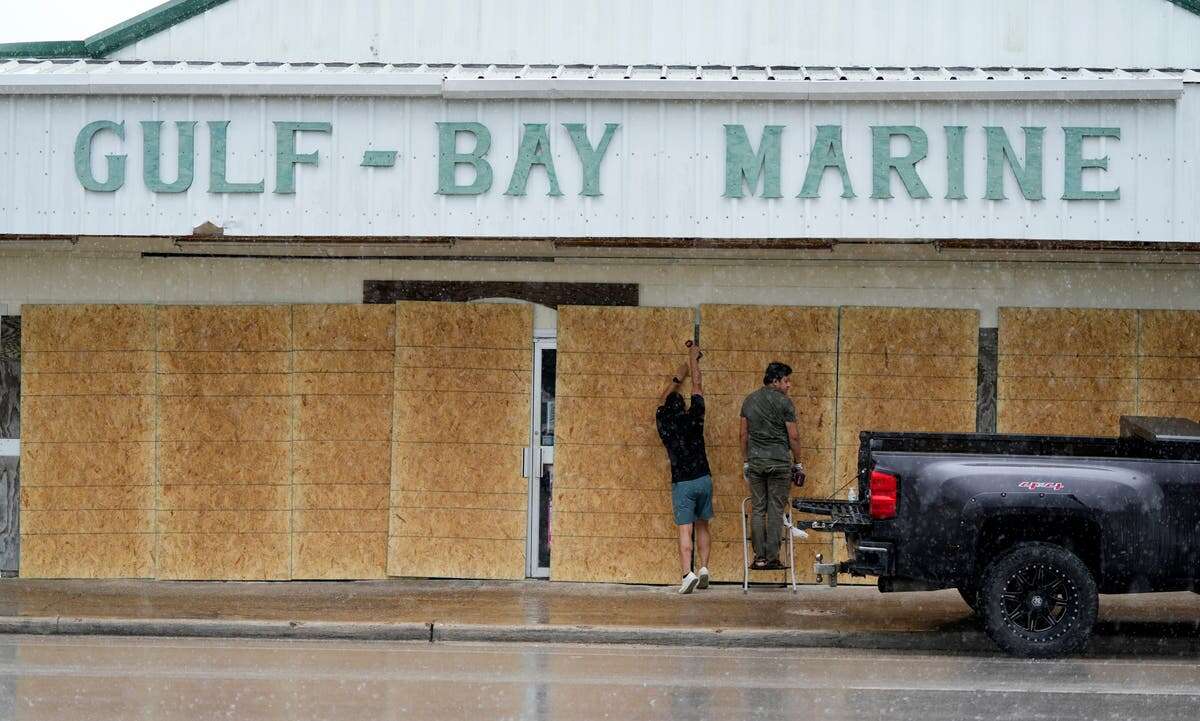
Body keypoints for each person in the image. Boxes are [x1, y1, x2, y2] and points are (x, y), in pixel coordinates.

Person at [655, 342, 713, 594]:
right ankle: (703, 569)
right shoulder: (695, 416)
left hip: (683, 482)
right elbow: (698, 386)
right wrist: (693, 359)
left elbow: (660, 399)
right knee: (703, 525)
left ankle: (686, 574)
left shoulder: (665, 424)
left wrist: (678, 377)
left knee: (685, 528)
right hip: (703, 478)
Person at [740, 361, 805, 571]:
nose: (789, 385)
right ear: (775, 380)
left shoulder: (749, 401)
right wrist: (798, 463)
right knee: (776, 509)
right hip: (779, 464)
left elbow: (743, 435)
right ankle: (772, 558)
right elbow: (793, 437)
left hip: (756, 463)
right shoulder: (785, 403)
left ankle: (759, 558)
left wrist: (746, 462)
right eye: (786, 381)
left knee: (758, 509)